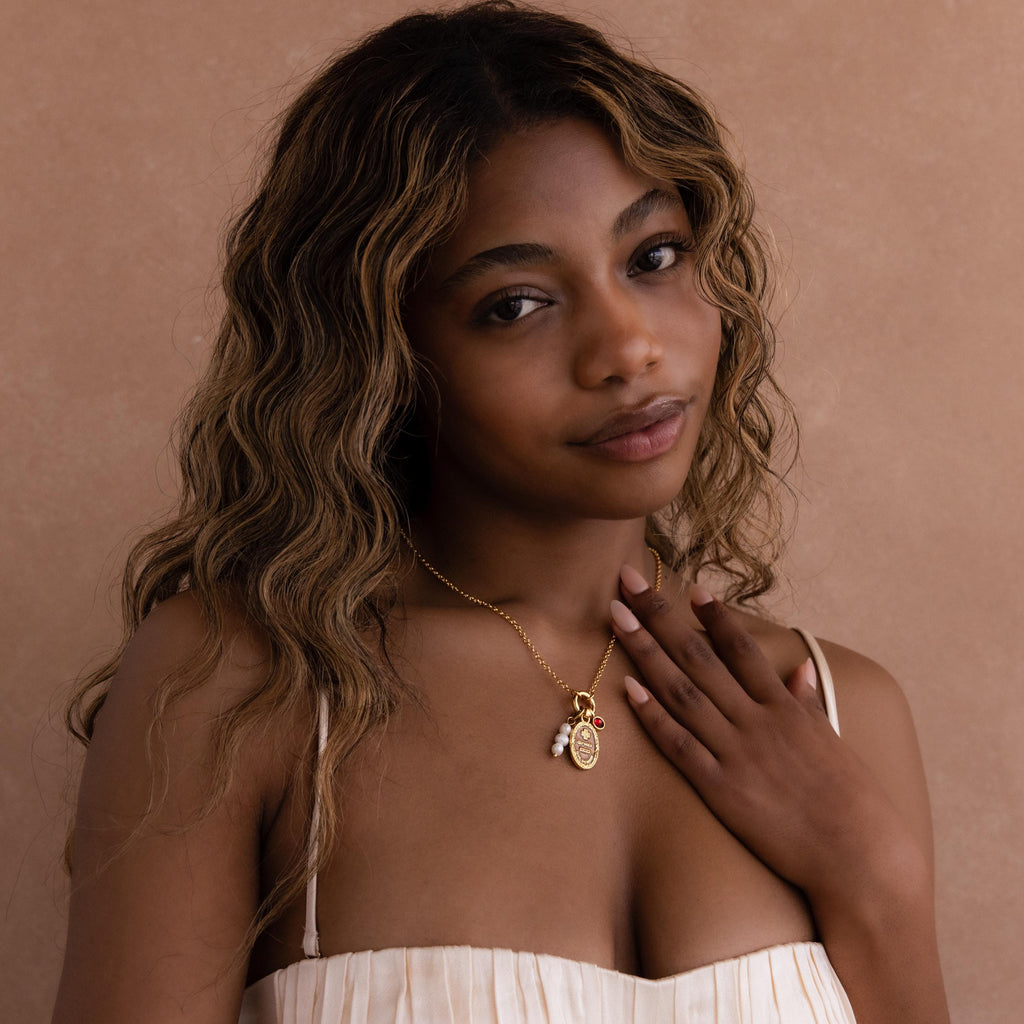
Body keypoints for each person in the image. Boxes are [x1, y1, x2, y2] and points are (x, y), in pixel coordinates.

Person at [51, 2, 950, 1022]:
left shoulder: (835, 709)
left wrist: (877, 878)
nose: (627, 348)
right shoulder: (248, 685)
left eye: (652, 256)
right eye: (516, 303)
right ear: (383, 358)